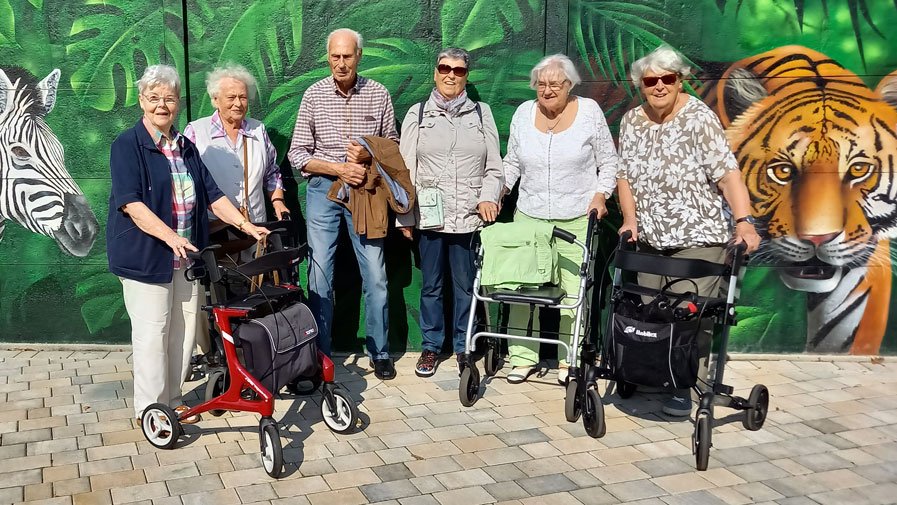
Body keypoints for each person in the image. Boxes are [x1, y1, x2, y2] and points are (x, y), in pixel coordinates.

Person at [106, 65, 267, 426]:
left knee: (181, 332)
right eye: (154, 98)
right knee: (152, 334)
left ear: (178, 103)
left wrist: (245, 225)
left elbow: (212, 195)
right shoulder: (127, 145)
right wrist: (172, 237)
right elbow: (132, 204)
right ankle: (150, 410)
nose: (162, 105)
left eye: (169, 99)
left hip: (186, 257)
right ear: (141, 101)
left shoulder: (186, 147)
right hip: (147, 257)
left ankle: (174, 400)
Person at [616, 45, 761, 417]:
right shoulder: (632, 121)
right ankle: (653, 373)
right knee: (653, 313)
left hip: (699, 239)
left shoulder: (699, 117)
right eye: (651, 80)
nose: (660, 86)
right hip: (650, 238)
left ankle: (683, 388)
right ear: (641, 85)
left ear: (680, 81)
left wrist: (744, 220)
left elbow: (727, 173)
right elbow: (625, 177)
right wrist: (630, 220)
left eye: (668, 79)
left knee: (685, 315)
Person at [287, 28, 399, 380]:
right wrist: (338, 167)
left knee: (377, 275)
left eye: (347, 56)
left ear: (358, 56)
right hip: (323, 189)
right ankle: (319, 355)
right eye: (334, 56)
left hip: (366, 193)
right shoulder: (314, 95)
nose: (340, 63)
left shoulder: (378, 94)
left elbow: (392, 147)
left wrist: (368, 154)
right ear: (327, 57)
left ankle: (380, 352)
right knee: (320, 273)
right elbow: (297, 154)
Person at [502, 54, 618, 385]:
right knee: (523, 291)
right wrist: (499, 190)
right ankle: (522, 358)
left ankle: (571, 361)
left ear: (569, 85)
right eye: (541, 84)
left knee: (573, 294)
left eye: (555, 83)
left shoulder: (589, 112)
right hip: (529, 216)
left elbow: (608, 162)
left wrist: (600, 195)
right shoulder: (524, 114)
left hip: (577, 218)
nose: (548, 89)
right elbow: (512, 162)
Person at [397, 48, 503, 377]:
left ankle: (463, 347)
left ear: (466, 76)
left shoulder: (482, 114)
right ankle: (431, 348)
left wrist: (488, 198)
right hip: (430, 217)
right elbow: (405, 171)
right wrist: (405, 217)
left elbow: (495, 169)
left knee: (465, 285)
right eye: (444, 67)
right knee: (431, 285)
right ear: (435, 72)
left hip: (468, 216)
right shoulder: (418, 114)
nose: (450, 75)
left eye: (458, 70)